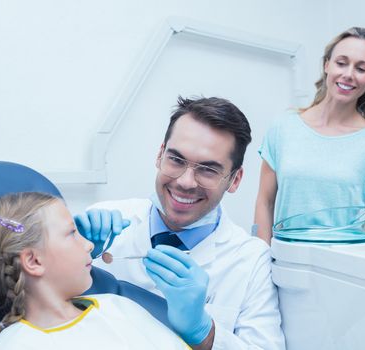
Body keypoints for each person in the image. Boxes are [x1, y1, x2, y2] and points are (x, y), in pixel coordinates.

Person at [75, 96, 285, 349]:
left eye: (208, 169)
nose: (186, 182)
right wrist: (73, 265)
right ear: (160, 155)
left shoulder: (251, 260)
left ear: (235, 180)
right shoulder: (102, 221)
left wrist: (203, 331)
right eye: (176, 160)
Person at [0, 192, 190, 350]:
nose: (89, 245)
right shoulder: (17, 345)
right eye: (72, 233)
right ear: (33, 261)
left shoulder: (118, 306)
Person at [254, 27, 365, 244]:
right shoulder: (283, 127)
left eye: (361, 68)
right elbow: (265, 203)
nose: (348, 74)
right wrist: (262, 261)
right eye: (341, 63)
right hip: (284, 266)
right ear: (327, 64)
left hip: (344, 270)